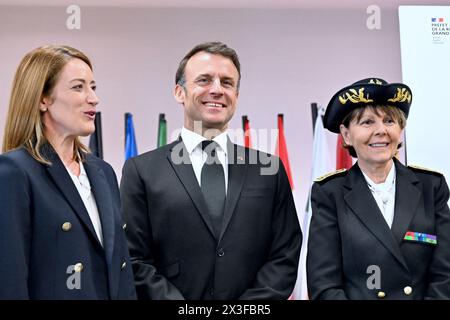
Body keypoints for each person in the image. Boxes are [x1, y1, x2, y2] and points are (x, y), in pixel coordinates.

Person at [120, 41, 302, 300]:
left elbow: (285, 254)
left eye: (227, 83)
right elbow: (134, 258)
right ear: (179, 92)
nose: (217, 90)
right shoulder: (141, 171)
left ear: (236, 96)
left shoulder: (269, 170)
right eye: (204, 80)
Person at [0, 45, 136, 299]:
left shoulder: (103, 172)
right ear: (43, 99)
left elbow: (122, 272)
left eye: (93, 87)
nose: (93, 98)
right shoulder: (13, 172)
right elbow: (10, 281)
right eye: (78, 87)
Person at [307, 78, 450, 299]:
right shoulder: (329, 193)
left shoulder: (431, 186)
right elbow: (324, 286)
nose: (381, 130)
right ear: (346, 135)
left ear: (400, 129)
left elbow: (445, 276)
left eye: (389, 120)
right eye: (367, 122)